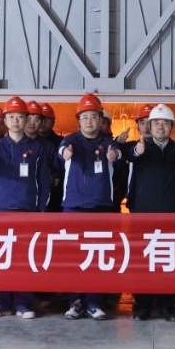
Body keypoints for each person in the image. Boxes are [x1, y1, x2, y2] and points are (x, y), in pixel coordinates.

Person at [0, 96, 51, 318]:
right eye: (11, 117)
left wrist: (41, 210)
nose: (16, 121)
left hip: (28, 211)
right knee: (0, 257)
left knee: (24, 259)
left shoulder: (38, 148)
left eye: (20, 117)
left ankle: (23, 303)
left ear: (26, 120)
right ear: (5, 121)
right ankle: (2, 303)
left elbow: (44, 181)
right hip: (0, 210)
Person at [58, 94, 122, 321]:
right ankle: (75, 302)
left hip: (100, 207)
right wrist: (65, 154)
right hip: (73, 207)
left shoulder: (108, 143)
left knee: (98, 256)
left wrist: (114, 155)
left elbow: (118, 154)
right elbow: (61, 151)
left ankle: (95, 302)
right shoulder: (70, 141)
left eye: (93, 117)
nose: (89, 122)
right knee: (73, 256)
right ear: (79, 120)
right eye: (84, 117)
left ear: (100, 120)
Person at [127, 103, 175, 322]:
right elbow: (129, 155)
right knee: (142, 260)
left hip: (171, 214)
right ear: (149, 126)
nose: (160, 127)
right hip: (143, 214)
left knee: (169, 260)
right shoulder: (140, 147)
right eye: (156, 123)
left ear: (171, 126)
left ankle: (167, 305)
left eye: (165, 123)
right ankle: (142, 305)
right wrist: (137, 152)